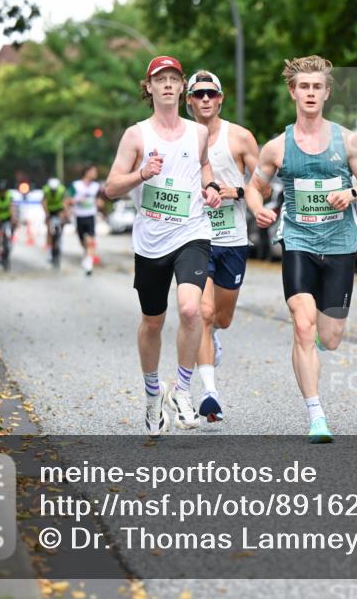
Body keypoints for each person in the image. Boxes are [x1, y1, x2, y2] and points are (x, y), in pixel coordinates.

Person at [245, 55, 357, 443]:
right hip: (298, 240)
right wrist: (258, 210)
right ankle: (316, 416)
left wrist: (350, 193)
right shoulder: (277, 147)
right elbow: (256, 187)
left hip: (339, 242)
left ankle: (319, 339)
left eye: (317, 87)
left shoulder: (348, 140)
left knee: (330, 337)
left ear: (327, 92)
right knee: (302, 325)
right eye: (304, 86)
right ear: (293, 92)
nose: (310, 93)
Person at [105, 55, 223, 437]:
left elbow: (204, 166)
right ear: (150, 87)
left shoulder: (198, 132)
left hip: (192, 231)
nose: (168, 85)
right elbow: (110, 188)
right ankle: (153, 394)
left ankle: (183, 390)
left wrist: (210, 188)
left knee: (191, 310)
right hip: (151, 241)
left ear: (181, 85)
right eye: (161, 79)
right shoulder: (136, 135)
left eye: (174, 78)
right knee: (153, 322)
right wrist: (142, 173)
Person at [184, 70, 261, 423]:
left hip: (232, 240)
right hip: (195, 239)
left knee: (222, 318)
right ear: (188, 101)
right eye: (197, 94)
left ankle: (213, 339)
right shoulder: (179, 139)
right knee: (201, 313)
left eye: (210, 94)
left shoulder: (241, 138)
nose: (204, 100)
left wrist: (239, 191)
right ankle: (210, 393)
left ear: (220, 99)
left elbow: (266, 185)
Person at [69, 165, 103, 276]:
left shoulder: (96, 186)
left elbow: (100, 199)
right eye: (93, 171)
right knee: (82, 242)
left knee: (90, 240)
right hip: (79, 216)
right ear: (87, 172)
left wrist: (100, 203)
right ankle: (87, 255)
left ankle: (88, 264)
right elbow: (67, 200)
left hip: (90, 216)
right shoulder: (76, 185)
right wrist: (77, 200)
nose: (95, 173)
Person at [42, 177, 68, 263]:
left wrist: (64, 213)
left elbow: (64, 201)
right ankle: (49, 250)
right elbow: (44, 202)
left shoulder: (61, 190)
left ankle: (59, 242)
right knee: (49, 230)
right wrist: (46, 213)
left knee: (62, 224)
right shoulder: (46, 190)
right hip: (50, 210)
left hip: (59, 209)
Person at [0, 180, 17, 263]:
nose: (3, 193)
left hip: (8, 217)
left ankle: (10, 241)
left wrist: (13, 218)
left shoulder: (9, 196)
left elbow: (12, 207)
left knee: (13, 226)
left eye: (4, 191)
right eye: (1, 191)